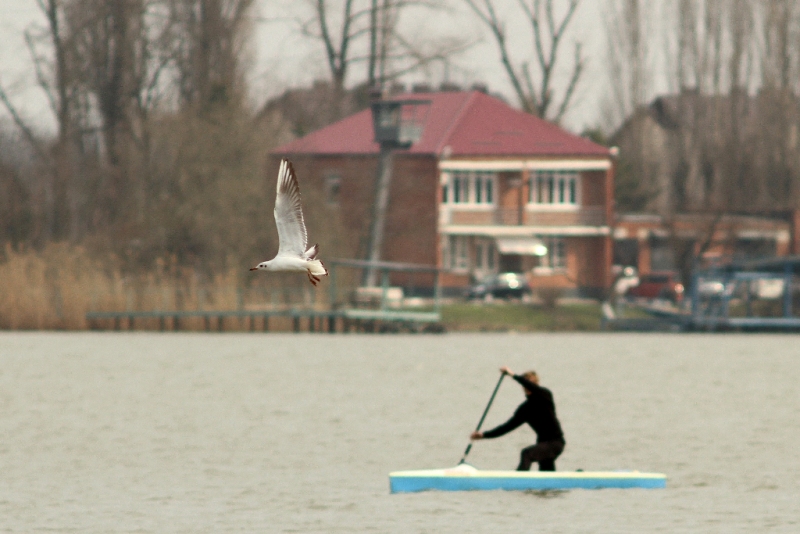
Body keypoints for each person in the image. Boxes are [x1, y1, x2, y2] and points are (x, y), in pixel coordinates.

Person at [470, 366, 565, 471]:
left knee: (527, 453)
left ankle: (518, 483)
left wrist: (512, 374)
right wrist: (483, 435)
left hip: (555, 443)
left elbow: (528, 384)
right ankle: (551, 485)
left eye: (531, 383)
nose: (527, 386)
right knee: (546, 470)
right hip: (543, 444)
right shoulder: (525, 409)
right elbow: (506, 427)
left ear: (536, 384)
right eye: (526, 384)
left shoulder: (545, 395)